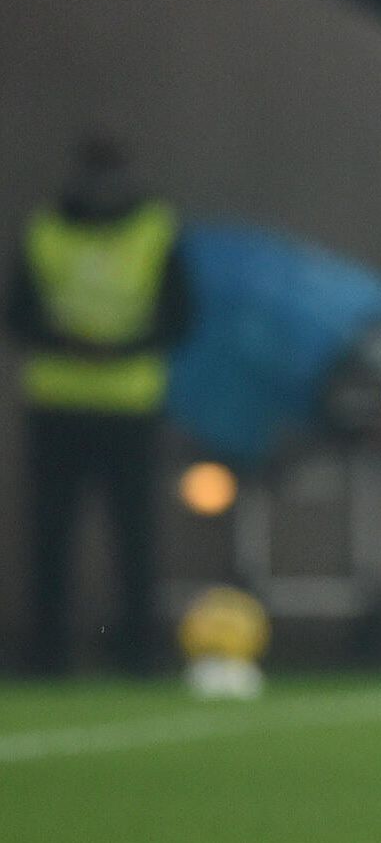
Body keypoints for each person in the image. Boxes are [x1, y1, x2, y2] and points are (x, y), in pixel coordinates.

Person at [4, 134, 192, 673]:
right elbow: (17, 311)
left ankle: (138, 650)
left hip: (130, 406)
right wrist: (67, 344)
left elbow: (179, 316)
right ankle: (47, 652)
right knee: (50, 534)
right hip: (58, 403)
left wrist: (121, 349)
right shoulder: (46, 230)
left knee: (135, 536)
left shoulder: (156, 229)